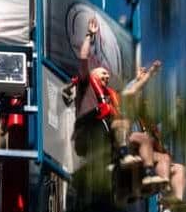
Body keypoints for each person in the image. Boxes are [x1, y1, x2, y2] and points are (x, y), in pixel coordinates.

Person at [72, 16, 167, 189]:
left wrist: (149, 75)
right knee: (119, 120)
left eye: (108, 76)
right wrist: (89, 36)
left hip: (107, 136)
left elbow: (131, 92)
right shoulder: (86, 84)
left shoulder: (110, 96)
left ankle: (148, 176)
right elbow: (84, 57)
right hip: (88, 132)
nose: (106, 77)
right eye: (103, 74)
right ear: (93, 73)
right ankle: (121, 156)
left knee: (143, 139)